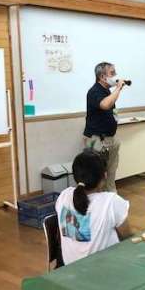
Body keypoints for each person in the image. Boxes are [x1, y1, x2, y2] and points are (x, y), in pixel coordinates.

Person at [55, 150, 131, 265]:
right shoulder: (111, 202)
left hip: (70, 270)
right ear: (104, 176)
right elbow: (127, 238)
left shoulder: (63, 196)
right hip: (103, 270)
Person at [84, 62, 128, 192]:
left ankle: (111, 196)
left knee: (111, 170)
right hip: (97, 140)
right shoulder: (94, 91)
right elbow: (104, 105)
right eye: (112, 73)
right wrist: (118, 89)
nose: (115, 76)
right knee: (97, 173)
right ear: (102, 77)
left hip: (110, 138)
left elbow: (111, 110)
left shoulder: (106, 91)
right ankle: (98, 199)